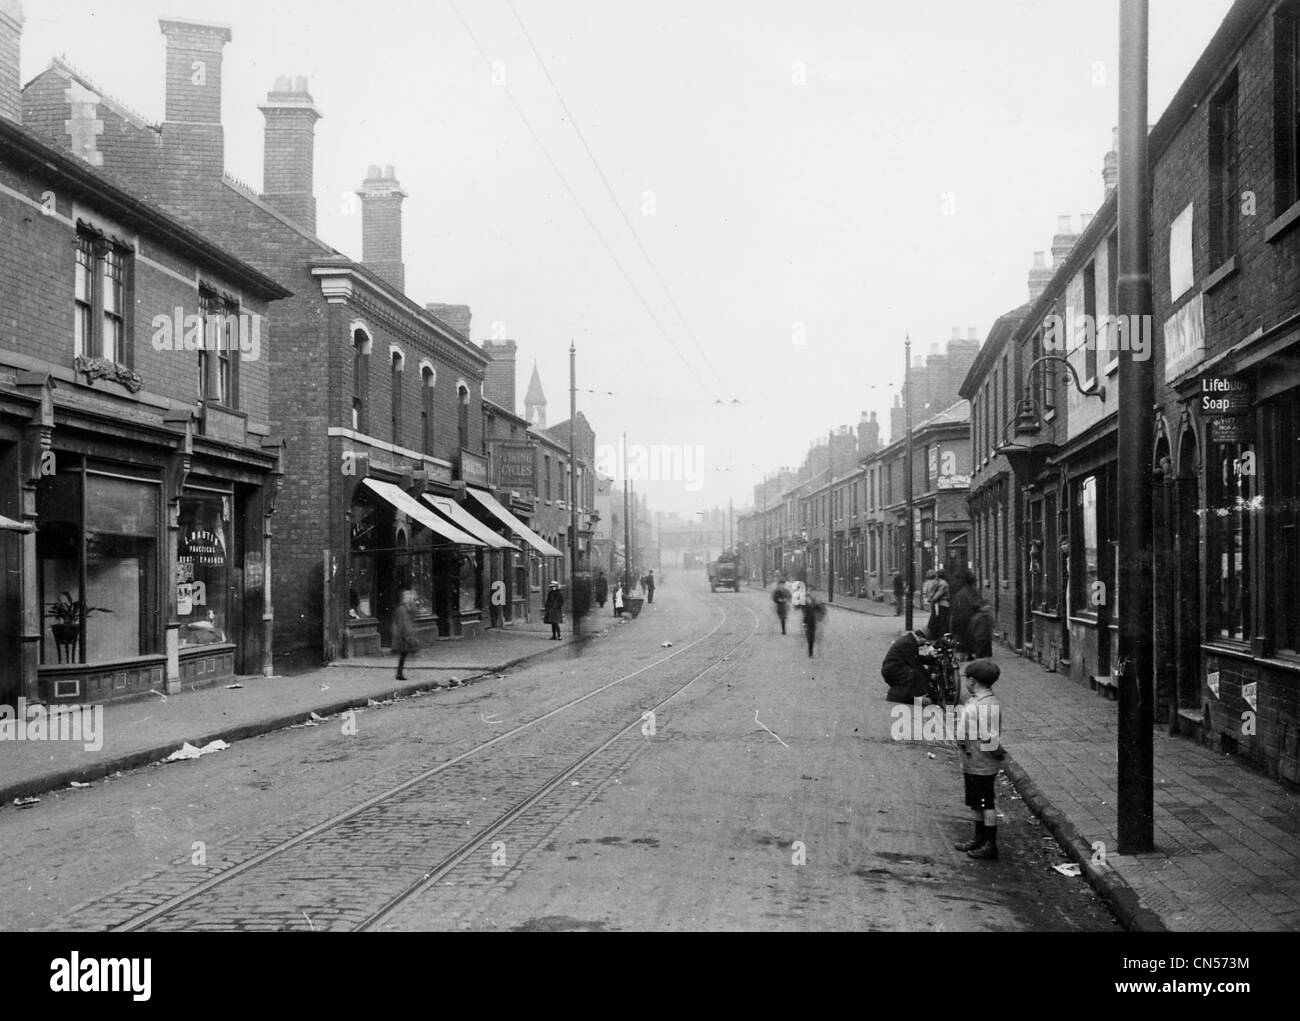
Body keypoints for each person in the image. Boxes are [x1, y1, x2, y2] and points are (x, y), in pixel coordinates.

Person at [954, 659, 1004, 860]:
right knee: (976, 802)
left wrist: (998, 754)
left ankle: (990, 844)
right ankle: (979, 838)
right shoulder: (978, 701)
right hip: (972, 760)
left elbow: (989, 738)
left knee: (986, 804)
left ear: (972, 681)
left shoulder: (984, 706)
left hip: (981, 762)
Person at [881, 628, 936, 704]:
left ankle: (911, 697)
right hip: (892, 670)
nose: (924, 644)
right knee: (913, 674)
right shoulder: (908, 643)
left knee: (914, 673)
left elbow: (915, 658)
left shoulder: (910, 640)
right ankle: (896, 696)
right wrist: (929, 676)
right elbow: (915, 663)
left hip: (893, 668)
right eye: (924, 642)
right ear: (920, 637)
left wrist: (930, 659)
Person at [392, 588, 420, 680]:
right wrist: (406, 635)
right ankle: (399, 673)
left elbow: (415, 613)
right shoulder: (402, 609)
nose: (409, 598)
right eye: (407, 596)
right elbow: (402, 624)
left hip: (405, 634)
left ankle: (399, 673)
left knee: (404, 654)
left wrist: (413, 601)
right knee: (404, 654)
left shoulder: (406, 607)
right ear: (403, 598)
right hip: (403, 636)